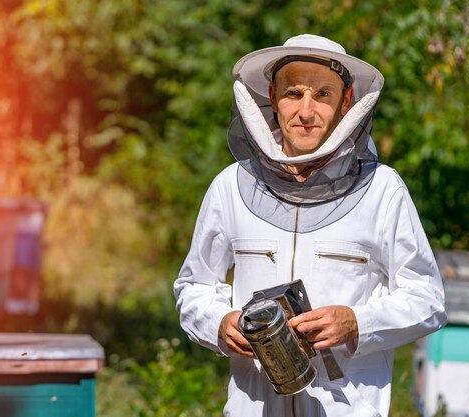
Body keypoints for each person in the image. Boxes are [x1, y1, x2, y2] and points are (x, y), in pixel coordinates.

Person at [174, 34, 447, 417]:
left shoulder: (384, 190)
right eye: (293, 93)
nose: (306, 110)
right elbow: (193, 286)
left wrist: (357, 323)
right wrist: (219, 323)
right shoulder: (230, 187)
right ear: (272, 95)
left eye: (322, 94)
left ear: (346, 102)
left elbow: (428, 300)